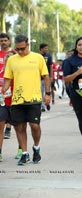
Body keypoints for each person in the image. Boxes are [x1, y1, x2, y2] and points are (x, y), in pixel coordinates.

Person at [2, 34, 51, 165]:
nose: (20, 52)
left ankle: (36, 147)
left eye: (23, 49)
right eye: (18, 49)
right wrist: (3, 90)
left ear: (28, 45)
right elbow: (8, 78)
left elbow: (46, 76)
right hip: (17, 100)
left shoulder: (38, 58)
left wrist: (48, 93)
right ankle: (24, 153)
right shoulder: (12, 60)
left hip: (34, 98)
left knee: (35, 126)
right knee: (19, 127)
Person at [0, 50, 16, 162]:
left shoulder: (17, 72)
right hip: (3, 103)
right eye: (7, 57)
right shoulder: (0, 72)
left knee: (20, 128)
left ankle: (21, 150)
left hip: (15, 103)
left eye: (11, 57)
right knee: (0, 127)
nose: (8, 59)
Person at [0, 33, 14, 140]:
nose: (3, 42)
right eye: (1, 41)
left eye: (5, 40)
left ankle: (8, 128)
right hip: (1, 86)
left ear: (9, 41)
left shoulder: (14, 53)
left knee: (11, 108)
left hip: (12, 85)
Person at [39, 43, 53, 111]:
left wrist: (51, 76)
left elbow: (50, 67)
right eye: (45, 48)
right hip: (39, 78)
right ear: (41, 49)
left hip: (47, 77)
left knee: (47, 91)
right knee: (41, 92)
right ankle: (43, 106)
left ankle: (47, 103)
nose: (46, 49)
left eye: (47, 48)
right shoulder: (37, 56)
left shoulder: (49, 56)